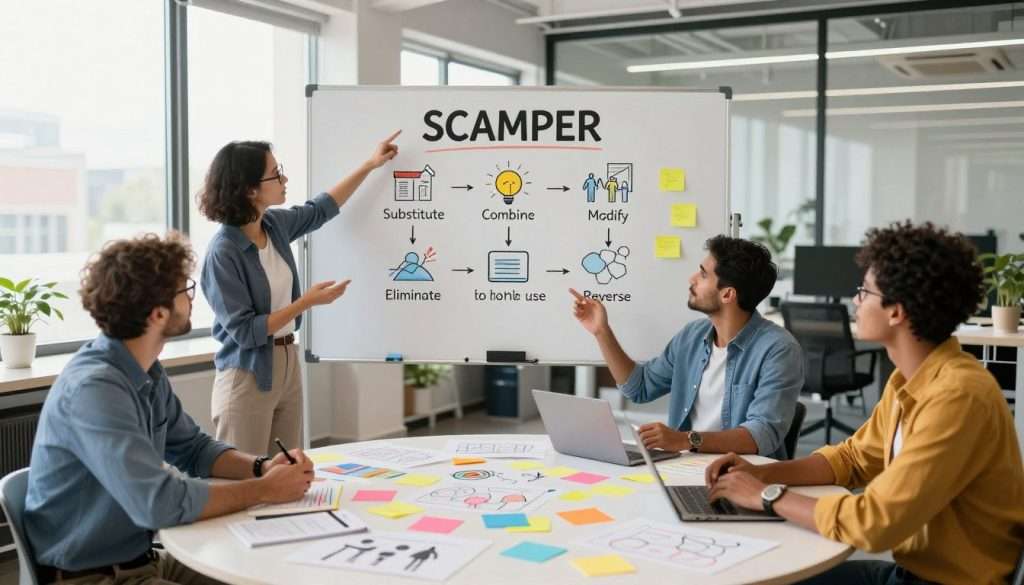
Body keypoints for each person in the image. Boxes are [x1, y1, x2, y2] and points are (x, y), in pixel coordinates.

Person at [706, 221, 1024, 585]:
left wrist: (767, 495)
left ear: (896, 311)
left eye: (864, 292)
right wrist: (761, 472)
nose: (856, 301)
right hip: (910, 572)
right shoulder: (908, 380)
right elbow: (854, 458)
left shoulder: (958, 396)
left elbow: (875, 523)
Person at [24, 233, 314, 585]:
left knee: (269, 572)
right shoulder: (94, 389)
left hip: (143, 560)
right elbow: (157, 501)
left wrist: (262, 466)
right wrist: (265, 489)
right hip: (92, 577)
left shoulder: (145, 369)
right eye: (185, 290)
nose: (192, 299)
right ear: (159, 314)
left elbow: (194, 449)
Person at [198, 132, 399, 455]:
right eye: (276, 174)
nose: (284, 178)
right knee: (244, 481)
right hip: (247, 372)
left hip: (287, 362)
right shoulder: (223, 252)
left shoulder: (274, 226)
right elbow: (246, 332)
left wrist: (370, 165)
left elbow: (321, 209)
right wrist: (306, 302)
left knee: (287, 473)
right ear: (249, 189)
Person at [570, 235, 803, 459]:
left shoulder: (778, 350)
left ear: (728, 294)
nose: (692, 279)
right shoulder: (692, 336)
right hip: (683, 467)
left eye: (703, 275)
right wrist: (601, 331)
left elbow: (761, 435)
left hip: (742, 476)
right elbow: (638, 387)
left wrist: (686, 440)